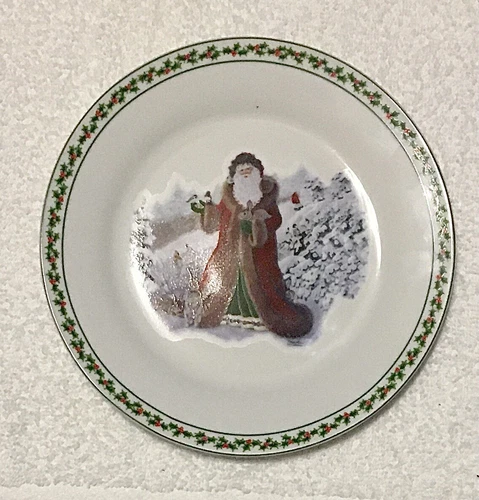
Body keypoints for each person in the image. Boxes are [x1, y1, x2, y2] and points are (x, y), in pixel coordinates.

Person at [197, 152, 313, 338]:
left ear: (258, 173)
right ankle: (229, 314)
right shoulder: (228, 200)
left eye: (249, 169)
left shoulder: (266, 199)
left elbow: (275, 220)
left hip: (259, 256)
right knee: (228, 282)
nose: (245, 172)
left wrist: (258, 224)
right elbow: (212, 225)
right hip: (230, 254)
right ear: (234, 176)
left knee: (262, 286)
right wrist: (208, 208)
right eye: (241, 170)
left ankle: (259, 317)